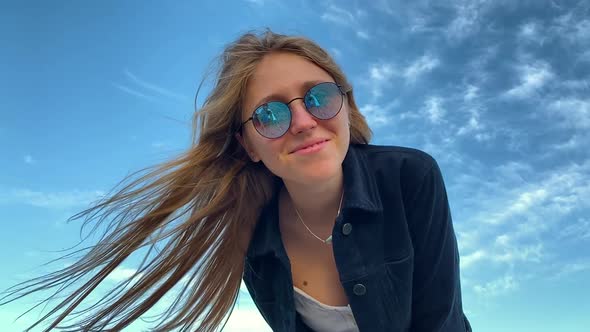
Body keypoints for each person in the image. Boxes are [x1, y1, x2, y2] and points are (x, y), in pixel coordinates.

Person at [1, 29, 472, 332]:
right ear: (248, 144)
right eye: (269, 114)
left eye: (320, 97)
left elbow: (441, 322)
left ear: (345, 105)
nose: (305, 122)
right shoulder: (248, 232)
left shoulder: (412, 176)